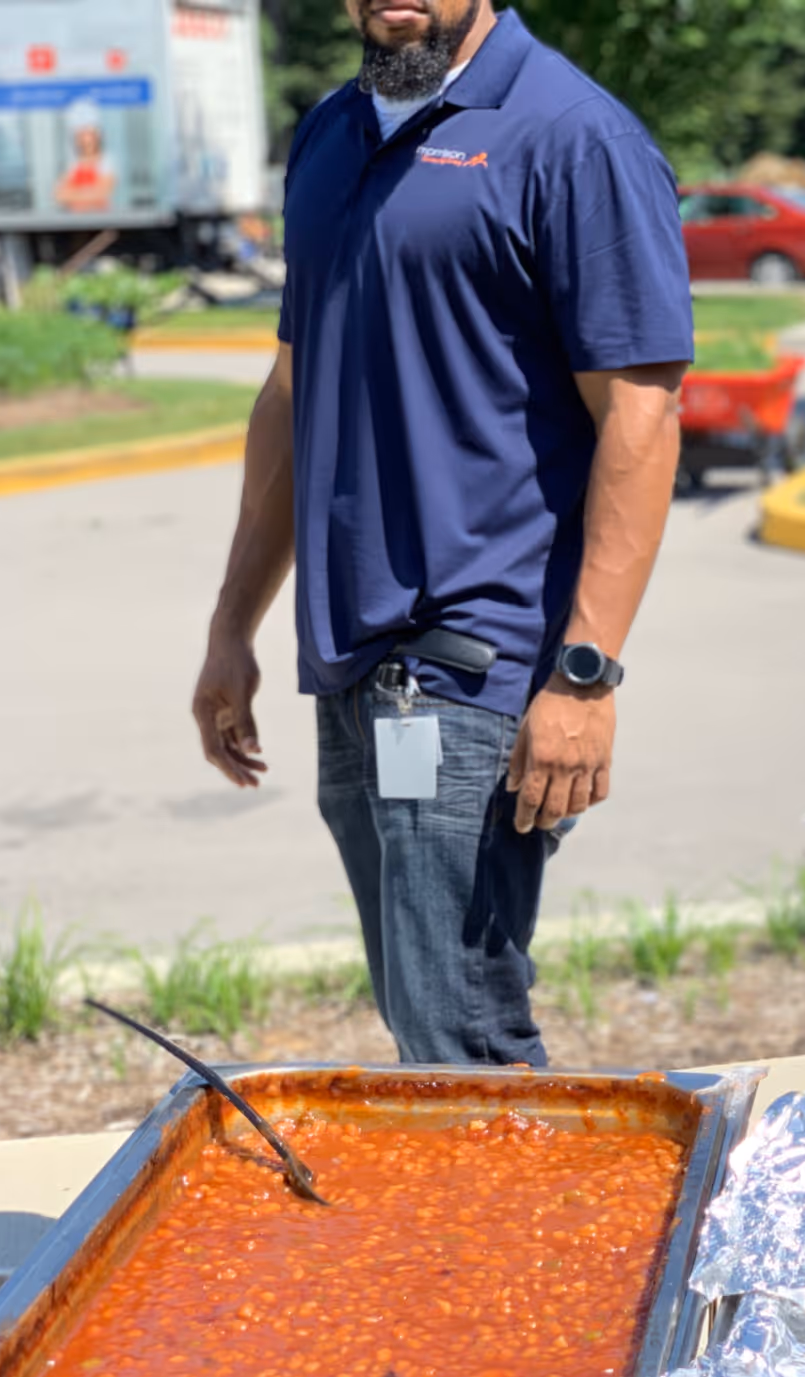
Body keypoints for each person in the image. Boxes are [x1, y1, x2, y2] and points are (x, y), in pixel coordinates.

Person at [189, 0, 692, 1066]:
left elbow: (641, 417)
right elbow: (293, 389)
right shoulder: (329, 134)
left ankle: (529, 1235)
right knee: (428, 1019)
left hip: (475, 664)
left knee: (461, 1029)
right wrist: (233, 623)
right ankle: (504, 1228)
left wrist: (586, 674)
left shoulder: (570, 133)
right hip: (348, 661)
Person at [54, 100, 116, 214]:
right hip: (76, 221)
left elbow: (103, 192)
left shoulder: (106, 162)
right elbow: (60, 195)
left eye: (89, 134)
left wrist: (74, 193)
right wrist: (88, 193)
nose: (85, 140)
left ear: (97, 136)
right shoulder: (73, 164)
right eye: (80, 135)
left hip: (101, 220)